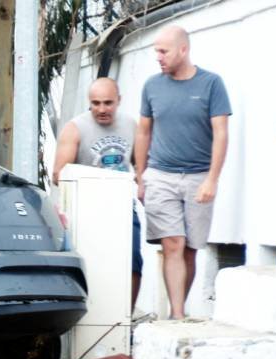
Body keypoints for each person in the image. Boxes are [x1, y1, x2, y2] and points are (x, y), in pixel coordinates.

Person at [134, 25, 230, 320]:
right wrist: (141, 176)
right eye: (156, 52)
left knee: (190, 249)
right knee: (172, 242)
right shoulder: (152, 86)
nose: (158, 57)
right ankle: (177, 315)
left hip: (199, 176)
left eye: (163, 51)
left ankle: (180, 308)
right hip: (161, 175)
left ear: (183, 50)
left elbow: (221, 133)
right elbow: (143, 132)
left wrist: (212, 179)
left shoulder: (211, 84)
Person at [53, 77, 141, 311]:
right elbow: (58, 174)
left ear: (119, 101)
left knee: (133, 263)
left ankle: (126, 319)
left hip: (122, 205)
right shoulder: (75, 128)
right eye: (96, 103)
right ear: (89, 102)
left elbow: (141, 166)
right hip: (88, 207)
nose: (102, 109)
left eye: (108, 103)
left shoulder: (131, 125)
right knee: (92, 265)